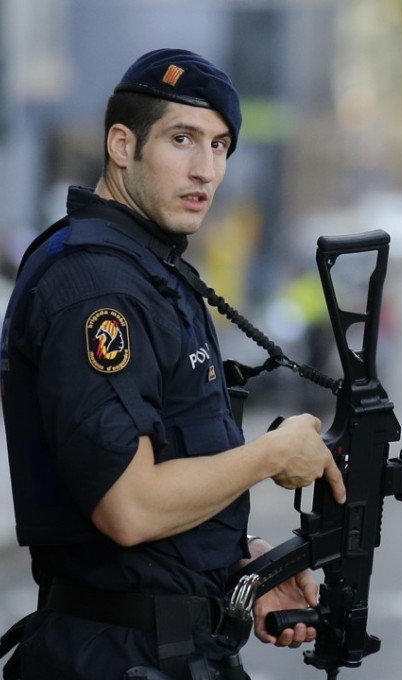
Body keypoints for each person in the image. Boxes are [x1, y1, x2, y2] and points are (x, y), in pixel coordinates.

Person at [0, 48, 347, 679]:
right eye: (182, 139)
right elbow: (128, 508)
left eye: (219, 147)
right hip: (115, 657)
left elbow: (173, 462)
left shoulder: (150, 270)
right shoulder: (95, 286)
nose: (205, 170)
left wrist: (240, 565)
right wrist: (270, 457)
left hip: (173, 651)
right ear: (122, 144)